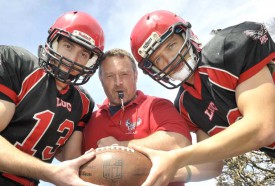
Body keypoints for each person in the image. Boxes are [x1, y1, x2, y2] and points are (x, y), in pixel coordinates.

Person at [130, 10, 275, 186]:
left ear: (188, 36)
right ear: (152, 69)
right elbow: (211, 164)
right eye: (158, 58)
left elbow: (264, 127)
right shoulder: (185, 105)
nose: (169, 60)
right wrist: (161, 172)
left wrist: (177, 158)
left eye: (170, 45)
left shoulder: (228, 48)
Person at [83, 48, 223, 185]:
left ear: (135, 75)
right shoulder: (90, 121)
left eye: (124, 74)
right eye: (110, 76)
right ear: (101, 79)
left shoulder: (157, 105)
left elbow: (179, 143)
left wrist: (120, 146)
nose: (118, 82)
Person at [0, 11, 105, 186]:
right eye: (68, 46)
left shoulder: (84, 103)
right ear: (54, 43)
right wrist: (51, 172)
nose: (73, 59)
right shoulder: (20, 65)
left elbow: (71, 159)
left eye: (84, 54)